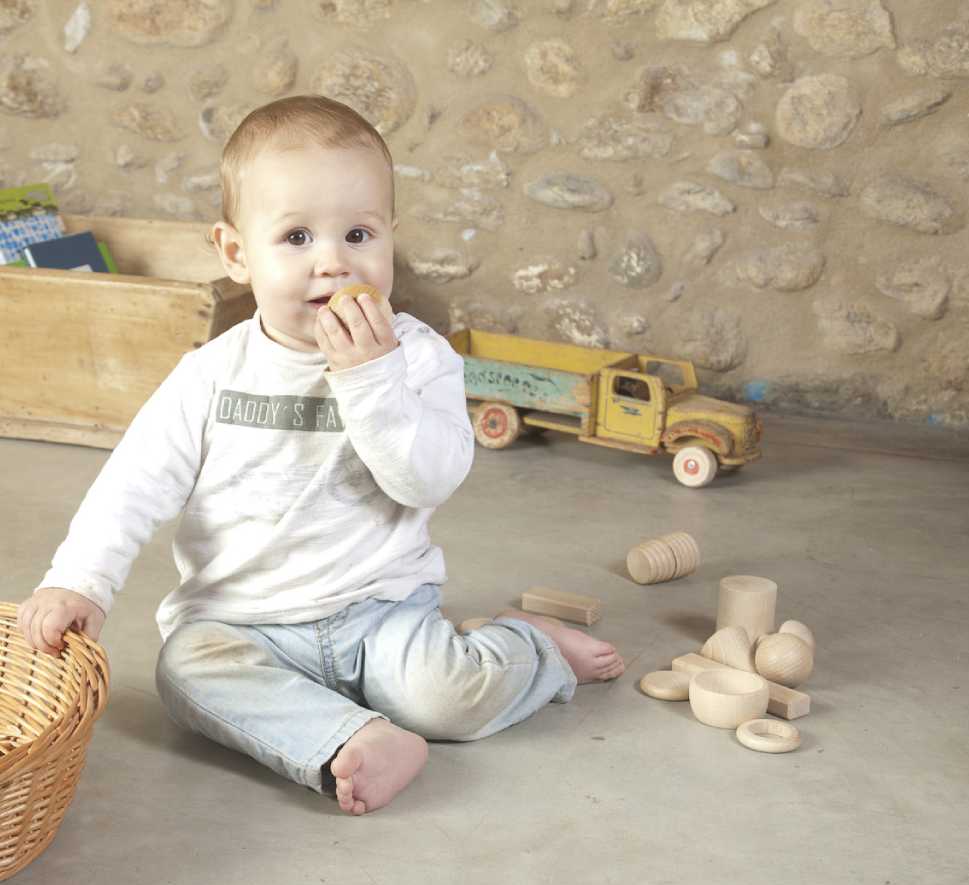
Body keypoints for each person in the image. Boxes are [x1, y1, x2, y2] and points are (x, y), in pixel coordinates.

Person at [16, 95, 624, 816]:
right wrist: (80, 580)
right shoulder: (210, 374)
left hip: (382, 610)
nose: (334, 262)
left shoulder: (418, 358)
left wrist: (371, 379)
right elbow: (133, 484)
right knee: (184, 674)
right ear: (238, 254)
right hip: (242, 622)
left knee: (444, 696)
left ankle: (531, 650)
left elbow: (426, 480)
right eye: (297, 237)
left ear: (390, 239)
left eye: (359, 233)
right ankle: (351, 739)